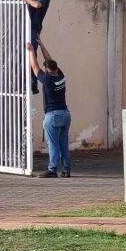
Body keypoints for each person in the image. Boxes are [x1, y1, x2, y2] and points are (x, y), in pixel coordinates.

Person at [26, 39, 72, 178]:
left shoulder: (47, 80)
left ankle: (52, 169)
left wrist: (31, 50)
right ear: (56, 68)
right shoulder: (60, 75)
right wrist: (41, 43)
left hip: (53, 116)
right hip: (65, 114)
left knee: (53, 144)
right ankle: (66, 170)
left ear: (47, 70)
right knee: (63, 142)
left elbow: (34, 67)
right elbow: (49, 59)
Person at [20, 0, 52, 95]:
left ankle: (32, 85)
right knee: (27, 56)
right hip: (30, 28)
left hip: (34, 29)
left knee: (32, 55)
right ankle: (28, 83)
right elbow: (33, 3)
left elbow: (37, 5)